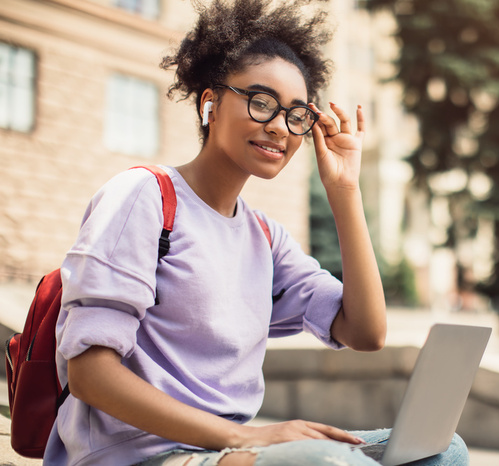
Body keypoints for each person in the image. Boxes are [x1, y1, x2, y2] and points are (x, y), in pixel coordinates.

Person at [43, 0, 468, 465]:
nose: (279, 127)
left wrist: (344, 190)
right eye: (261, 102)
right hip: (141, 456)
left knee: (443, 449)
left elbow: (365, 331)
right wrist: (247, 438)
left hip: (225, 450)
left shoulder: (264, 237)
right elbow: (89, 375)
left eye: (296, 114)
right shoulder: (143, 196)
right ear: (210, 103)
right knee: (332, 462)